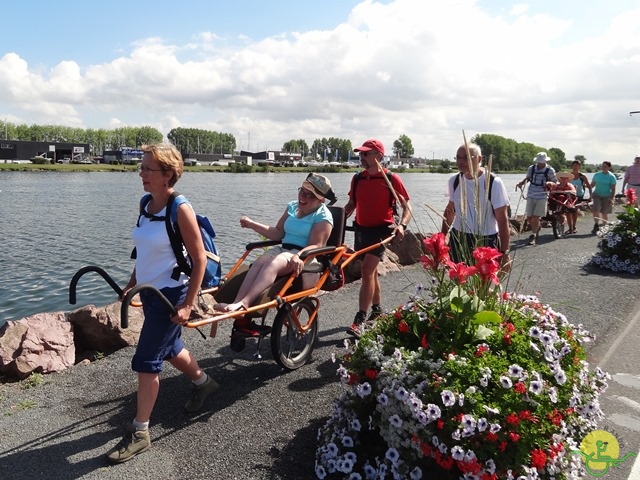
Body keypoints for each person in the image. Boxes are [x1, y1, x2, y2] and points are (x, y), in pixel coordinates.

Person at [106, 144, 218, 463]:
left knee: (146, 361)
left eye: (147, 169)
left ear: (167, 175)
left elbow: (198, 260)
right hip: (150, 292)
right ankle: (205, 383)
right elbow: (144, 252)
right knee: (169, 348)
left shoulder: (179, 208)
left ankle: (140, 431)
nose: (141, 173)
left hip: (172, 295)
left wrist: (187, 305)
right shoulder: (146, 204)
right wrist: (130, 285)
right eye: (141, 168)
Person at [216, 173, 336, 340]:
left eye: (310, 195)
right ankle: (237, 304)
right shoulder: (292, 207)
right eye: (302, 191)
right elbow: (277, 232)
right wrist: (252, 224)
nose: (303, 197)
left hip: (305, 256)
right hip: (284, 249)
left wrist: (299, 256)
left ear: (321, 200)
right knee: (260, 261)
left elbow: (317, 245)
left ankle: (245, 305)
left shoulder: (323, 216)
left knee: (274, 263)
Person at [344, 139, 412, 337]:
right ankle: (377, 310)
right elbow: (352, 204)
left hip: (381, 231)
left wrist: (402, 225)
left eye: (366, 154)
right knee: (371, 273)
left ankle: (360, 319)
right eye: (361, 154)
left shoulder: (391, 179)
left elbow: (407, 207)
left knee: (366, 270)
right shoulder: (357, 179)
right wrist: (340, 215)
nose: (362, 158)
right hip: (361, 230)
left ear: (379, 156)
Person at [441, 143, 511, 264]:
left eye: (466, 157)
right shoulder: (455, 180)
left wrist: (505, 252)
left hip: (485, 239)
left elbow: (502, 219)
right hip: (459, 236)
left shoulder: (493, 182)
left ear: (479, 159)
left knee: (482, 282)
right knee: (458, 281)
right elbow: (450, 211)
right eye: (458, 157)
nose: (460, 162)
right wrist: (441, 240)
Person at [516, 152, 557, 246]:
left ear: (545, 161)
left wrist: (550, 183)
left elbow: (555, 182)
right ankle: (536, 228)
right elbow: (528, 178)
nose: (539, 163)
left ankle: (533, 236)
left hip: (542, 195)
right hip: (531, 193)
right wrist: (521, 183)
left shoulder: (550, 170)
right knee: (529, 217)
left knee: (536, 217)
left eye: (541, 162)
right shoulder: (532, 168)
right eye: (539, 162)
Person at [590, 161, 617, 234]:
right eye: (603, 166)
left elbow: (613, 189)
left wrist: (612, 198)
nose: (603, 168)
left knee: (604, 213)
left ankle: (605, 226)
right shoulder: (597, 175)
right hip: (597, 195)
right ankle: (596, 225)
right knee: (596, 210)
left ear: (609, 167)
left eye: (605, 166)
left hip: (607, 196)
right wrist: (587, 186)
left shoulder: (611, 176)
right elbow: (592, 185)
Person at [567, 160, 592, 234]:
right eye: (574, 165)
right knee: (568, 212)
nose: (575, 167)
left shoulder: (582, 176)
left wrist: (590, 196)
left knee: (574, 210)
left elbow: (589, 186)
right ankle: (570, 228)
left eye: (577, 166)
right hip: (570, 195)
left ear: (579, 167)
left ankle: (574, 227)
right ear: (572, 166)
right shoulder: (569, 175)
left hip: (579, 195)